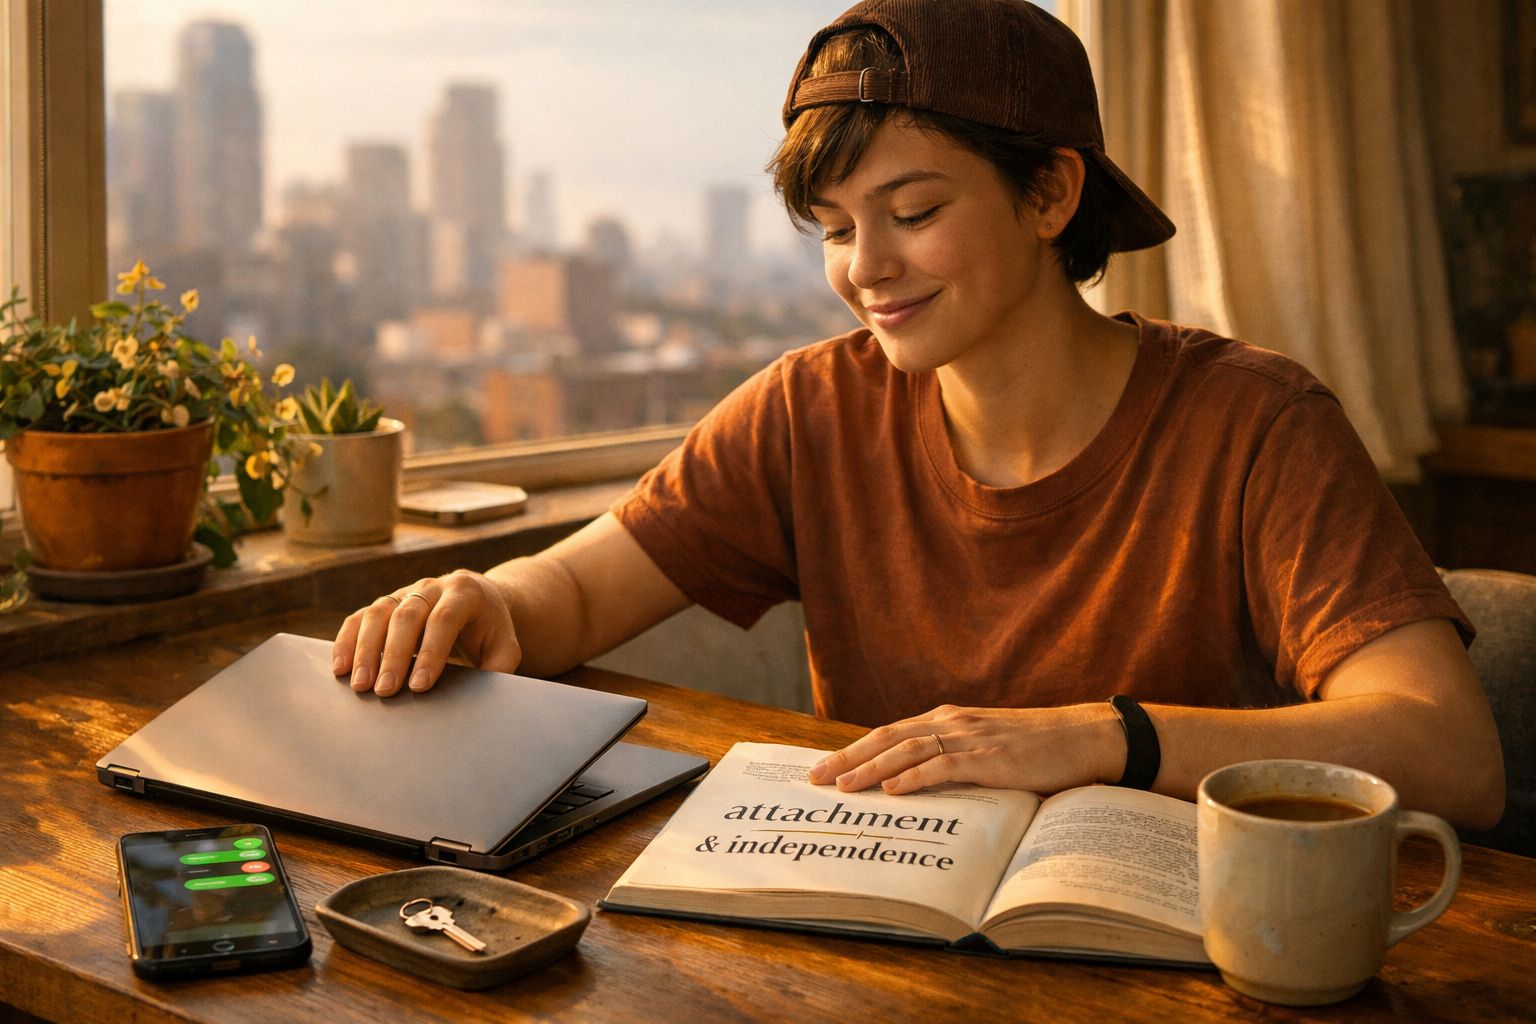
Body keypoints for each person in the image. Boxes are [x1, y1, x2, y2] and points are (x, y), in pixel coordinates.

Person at [333, 0, 1504, 830]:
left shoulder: (1255, 422)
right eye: (838, 229)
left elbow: (1451, 752)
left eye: (914, 211)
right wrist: (482, 600)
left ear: (1050, 193)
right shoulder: (809, 410)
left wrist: (1108, 735)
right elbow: (577, 595)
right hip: (885, 946)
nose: (866, 269)